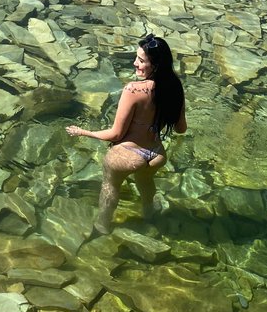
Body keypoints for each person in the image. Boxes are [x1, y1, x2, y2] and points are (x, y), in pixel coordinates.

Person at [66, 34, 187, 233]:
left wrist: (83, 132)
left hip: (128, 155)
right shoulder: (175, 86)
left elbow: (115, 134)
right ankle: (150, 215)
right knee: (145, 181)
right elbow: (181, 129)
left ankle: (102, 226)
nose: (135, 63)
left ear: (155, 65)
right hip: (156, 154)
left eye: (141, 60)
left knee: (110, 185)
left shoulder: (132, 90)